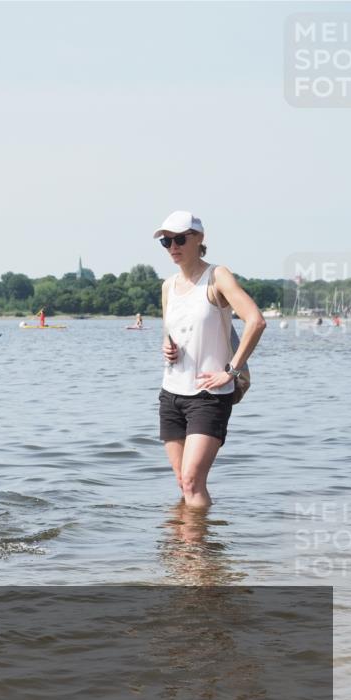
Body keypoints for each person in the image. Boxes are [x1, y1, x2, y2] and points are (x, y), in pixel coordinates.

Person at [158, 211, 265, 508]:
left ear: (199, 239)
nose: (173, 247)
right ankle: (183, 548)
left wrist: (231, 371)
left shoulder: (217, 276)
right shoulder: (168, 286)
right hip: (171, 394)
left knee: (193, 481)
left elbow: (255, 321)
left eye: (180, 239)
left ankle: (201, 554)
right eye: (166, 242)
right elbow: (170, 332)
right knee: (183, 481)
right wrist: (167, 347)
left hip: (209, 395)